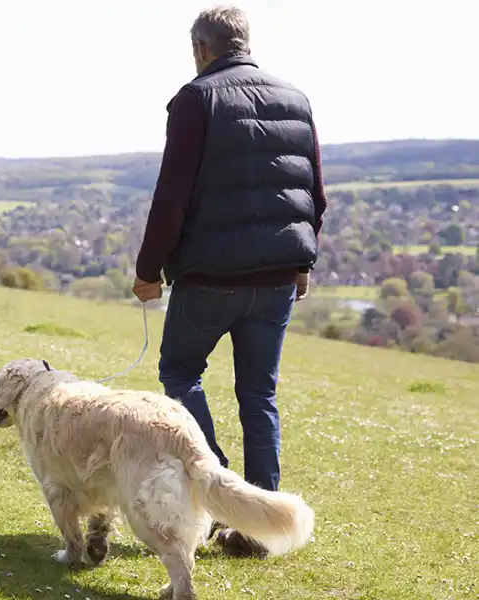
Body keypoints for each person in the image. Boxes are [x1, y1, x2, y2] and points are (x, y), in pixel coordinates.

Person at [132, 5, 328, 558]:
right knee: (258, 396)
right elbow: (314, 190)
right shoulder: (296, 98)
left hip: (210, 277)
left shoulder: (196, 99)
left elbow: (170, 197)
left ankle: (220, 495)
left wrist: (149, 271)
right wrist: (302, 264)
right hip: (275, 282)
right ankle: (262, 524)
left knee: (178, 370)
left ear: (201, 47)